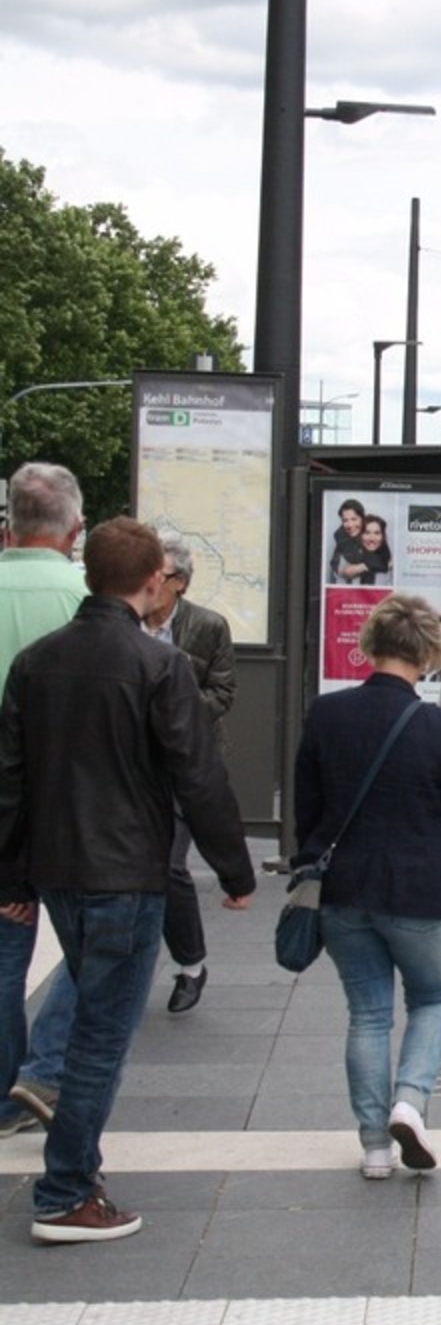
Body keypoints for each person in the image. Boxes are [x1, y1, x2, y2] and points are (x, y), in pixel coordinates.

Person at [0, 517, 256, 1242]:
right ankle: (65, 1191)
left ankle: (72, 1172)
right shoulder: (160, 666)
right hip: (128, 870)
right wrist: (233, 869)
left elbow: (10, 783)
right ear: (153, 583)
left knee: (89, 1018)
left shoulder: (34, 664)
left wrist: (11, 876)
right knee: (101, 1038)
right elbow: (197, 775)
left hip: (55, 870)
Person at [295, 594, 441, 1180]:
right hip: (425, 896)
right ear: (428, 655)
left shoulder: (326, 714)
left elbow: (307, 809)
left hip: (345, 892)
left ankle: (373, 1147)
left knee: (367, 1016)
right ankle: (409, 1103)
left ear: (371, 644)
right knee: (433, 1000)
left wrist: (305, 871)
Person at [0, 463, 88, 1143]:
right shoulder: (86, 598)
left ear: (8, 524)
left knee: (6, 951)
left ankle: (6, 1094)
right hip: (70, 803)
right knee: (98, 945)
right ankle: (44, 1067)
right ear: (75, 528)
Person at [147, 533, 238, 1013]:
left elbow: (223, 695)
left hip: (187, 762)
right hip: (134, 764)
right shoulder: (127, 622)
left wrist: (170, 706)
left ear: (178, 583)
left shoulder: (207, 627)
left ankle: (190, 964)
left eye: (156, 576)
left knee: (167, 864)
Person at [328, 499, 371, 583]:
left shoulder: (374, 531)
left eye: (354, 519)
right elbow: (340, 569)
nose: (350, 525)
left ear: (362, 519)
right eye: (345, 520)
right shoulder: (341, 537)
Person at [356, 514, 394, 586]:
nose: (372, 538)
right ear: (360, 535)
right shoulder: (347, 558)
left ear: (383, 537)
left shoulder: (390, 561)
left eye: (377, 533)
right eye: (367, 533)